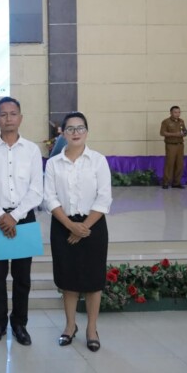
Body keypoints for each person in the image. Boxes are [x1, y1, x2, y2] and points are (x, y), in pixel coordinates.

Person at [0, 97, 43, 346]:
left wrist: (14, 216)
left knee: (23, 277)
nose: (8, 118)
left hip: (23, 219)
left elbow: (36, 189)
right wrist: (1, 215)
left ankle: (20, 324)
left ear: (20, 118)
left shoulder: (32, 150)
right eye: (3, 114)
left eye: (13, 114)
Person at [44, 111, 112, 352]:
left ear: (87, 131)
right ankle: (70, 326)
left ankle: (92, 329)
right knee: (68, 279)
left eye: (80, 128)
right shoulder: (53, 163)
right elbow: (49, 198)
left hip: (93, 225)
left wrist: (83, 227)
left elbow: (104, 197)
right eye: (70, 129)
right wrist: (70, 226)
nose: (75, 133)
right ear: (62, 133)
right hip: (63, 225)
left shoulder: (98, 160)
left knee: (93, 280)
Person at [160, 106, 187, 189]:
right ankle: (166, 182)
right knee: (170, 163)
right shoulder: (166, 122)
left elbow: (184, 131)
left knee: (179, 164)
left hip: (180, 145)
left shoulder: (181, 121)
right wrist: (175, 134)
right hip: (171, 145)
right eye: (175, 112)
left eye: (179, 112)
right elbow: (162, 133)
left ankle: (176, 182)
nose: (177, 114)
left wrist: (185, 132)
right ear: (171, 113)